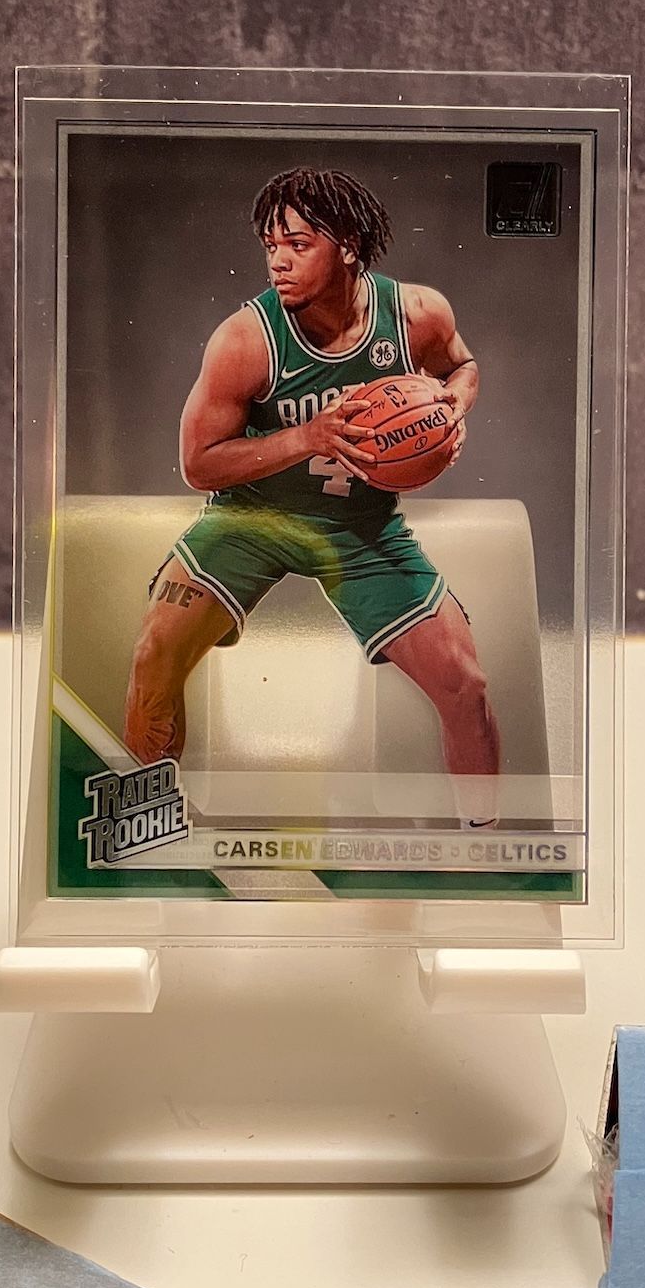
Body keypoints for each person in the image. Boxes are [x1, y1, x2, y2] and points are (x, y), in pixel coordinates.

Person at [124, 166, 500, 825]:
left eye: (298, 245)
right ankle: (143, 831)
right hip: (252, 519)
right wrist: (307, 436)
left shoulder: (416, 314)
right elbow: (197, 464)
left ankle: (488, 848)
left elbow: (461, 366)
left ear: (348, 246)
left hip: (360, 525)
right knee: (156, 653)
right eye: (271, 246)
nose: (278, 261)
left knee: (464, 685)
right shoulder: (246, 339)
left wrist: (452, 408)